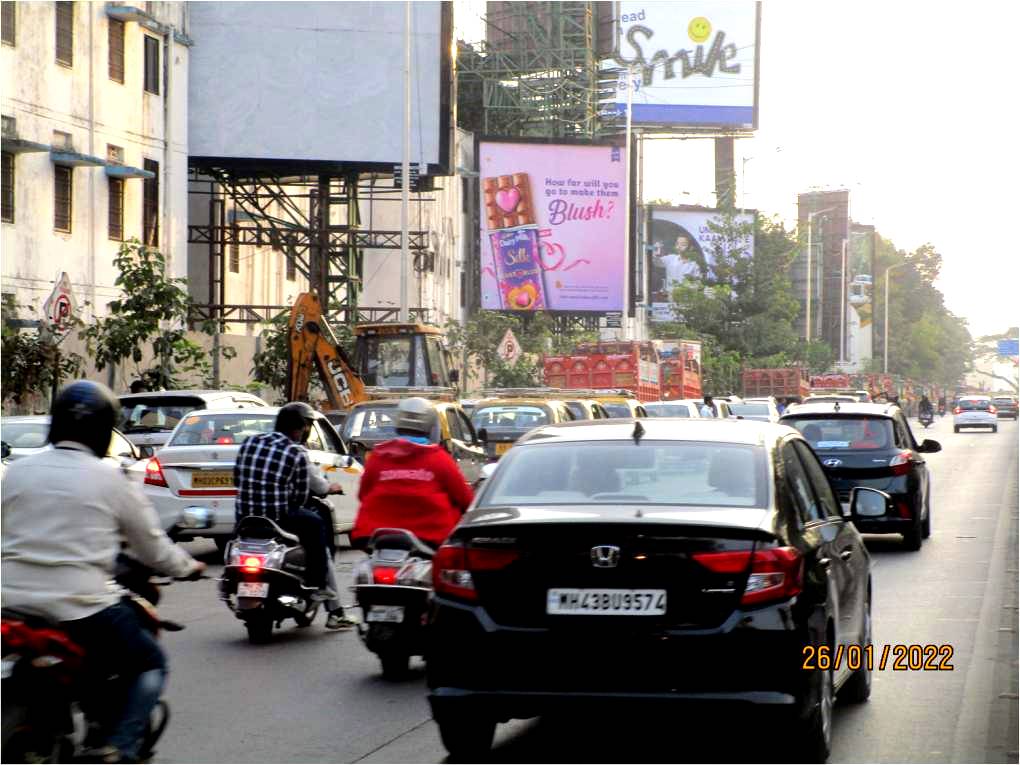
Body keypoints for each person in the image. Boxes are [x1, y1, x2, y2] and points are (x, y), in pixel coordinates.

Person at [2, 381, 205, 763]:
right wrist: (189, 566)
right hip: (80, 609)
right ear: (103, 431)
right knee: (150, 662)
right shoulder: (111, 479)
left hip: (9, 603)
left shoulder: (16, 473)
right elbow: (154, 547)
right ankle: (119, 748)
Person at [233, 402, 356, 630]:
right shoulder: (295, 452)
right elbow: (302, 495)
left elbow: (237, 478)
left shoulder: (251, 441)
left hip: (245, 516)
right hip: (278, 517)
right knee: (316, 524)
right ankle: (320, 586)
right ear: (301, 429)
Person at [352, 397, 474, 551]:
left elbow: (363, 494)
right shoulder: (439, 458)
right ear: (430, 426)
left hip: (373, 536)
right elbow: (465, 499)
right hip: (429, 538)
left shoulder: (378, 455)